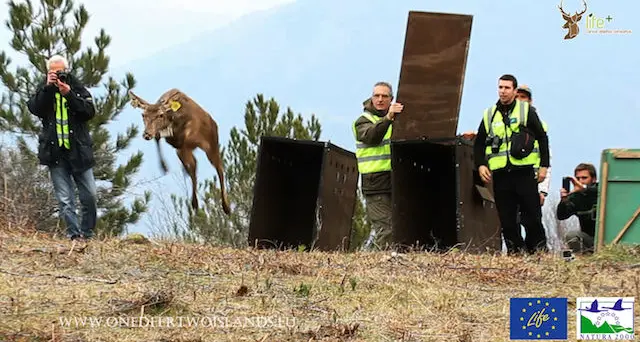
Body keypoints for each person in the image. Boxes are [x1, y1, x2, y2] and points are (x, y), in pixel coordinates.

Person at [473, 74, 551, 255]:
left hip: (523, 172)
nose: (503, 91)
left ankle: (538, 252)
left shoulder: (526, 112)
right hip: (501, 175)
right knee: (507, 220)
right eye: (500, 87)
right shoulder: (490, 115)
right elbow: (479, 143)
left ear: (514, 91)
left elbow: (542, 137)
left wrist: (544, 166)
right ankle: (515, 253)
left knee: (532, 217)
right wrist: (481, 165)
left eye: (507, 88)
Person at [27, 55, 98, 241]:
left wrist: (69, 94)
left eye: (60, 72)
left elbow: (89, 111)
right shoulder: (44, 89)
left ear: (67, 70)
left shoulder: (76, 86)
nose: (58, 75)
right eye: (53, 72)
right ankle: (74, 235)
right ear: (48, 72)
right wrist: (48, 89)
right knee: (65, 200)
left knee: (89, 195)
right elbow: (34, 108)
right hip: (55, 153)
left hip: (79, 152)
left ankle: (87, 233)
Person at [353, 81, 402, 249]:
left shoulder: (399, 121)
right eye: (376, 95)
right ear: (371, 98)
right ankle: (382, 266)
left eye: (384, 96)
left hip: (395, 181)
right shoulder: (362, 121)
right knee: (385, 228)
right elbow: (372, 136)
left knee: (395, 227)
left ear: (392, 99)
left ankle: (369, 256)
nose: (380, 99)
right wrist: (388, 118)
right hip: (375, 184)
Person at [556, 163, 598, 254]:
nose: (580, 181)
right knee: (571, 237)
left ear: (594, 179)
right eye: (578, 178)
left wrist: (584, 188)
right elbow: (561, 216)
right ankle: (586, 259)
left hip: (610, 240)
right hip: (590, 240)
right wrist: (563, 201)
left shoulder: (601, 190)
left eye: (584, 178)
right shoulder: (575, 197)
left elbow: (596, 191)